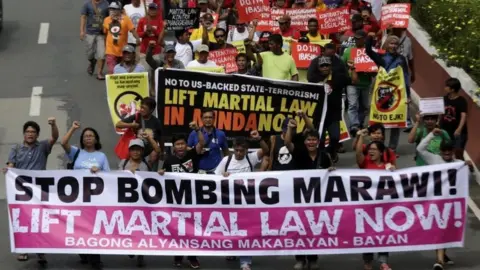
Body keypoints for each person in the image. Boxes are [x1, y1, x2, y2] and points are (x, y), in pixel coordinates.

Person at [3, 118, 58, 265]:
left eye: (33, 132)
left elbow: (55, 138)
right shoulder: (16, 148)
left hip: (40, 190)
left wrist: (53, 125)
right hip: (21, 190)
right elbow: (11, 164)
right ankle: (23, 249)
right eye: (27, 132)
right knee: (23, 219)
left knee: (40, 219)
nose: (30, 134)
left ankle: (41, 250)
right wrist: (8, 169)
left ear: (37, 135)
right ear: (24, 134)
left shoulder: (43, 147)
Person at [416, 128, 473, 270]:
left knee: (448, 230)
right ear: (440, 152)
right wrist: (431, 135)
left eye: (449, 153)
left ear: (453, 151)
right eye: (444, 152)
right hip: (436, 201)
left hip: (453, 203)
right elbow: (420, 148)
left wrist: (470, 170)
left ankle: (443, 255)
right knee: (439, 230)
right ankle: (439, 261)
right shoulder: (434, 159)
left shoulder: (459, 164)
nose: (446, 155)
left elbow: (466, 182)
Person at [283, 119, 333, 270]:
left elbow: (331, 171)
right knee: (299, 228)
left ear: (318, 141)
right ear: (305, 142)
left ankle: (312, 258)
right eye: (309, 140)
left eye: (314, 140)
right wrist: (291, 129)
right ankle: (300, 259)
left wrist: (331, 171)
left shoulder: (324, 156)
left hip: (317, 199)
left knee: (314, 229)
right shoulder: (299, 152)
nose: (311, 142)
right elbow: (287, 144)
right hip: (300, 198)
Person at [214, 132, 269, 270]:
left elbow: (266, 150)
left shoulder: (251, 158)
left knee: (246, 231)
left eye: (242, 151)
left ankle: (245, 261)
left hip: (247, 202)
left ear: (246, 150)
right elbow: (214, 178)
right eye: (237, 150)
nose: (239, 153)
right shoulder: (226, 160)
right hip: (230, 202)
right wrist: (223, 176)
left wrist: (259, 139)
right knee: (232, 229)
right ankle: (233, 252)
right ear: (233, 148)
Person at [60, 121, 109, 270]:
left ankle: (95, 259)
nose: (88, 138)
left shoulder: (101, 156)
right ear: (82, 139)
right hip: (77, 196)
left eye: (91, 136)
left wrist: (98, 172)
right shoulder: (76, 153)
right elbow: (63, 142)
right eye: (85, 136)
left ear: (96, 139)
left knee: (93, 227)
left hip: (94, 197)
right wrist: (73, 129)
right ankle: (83, 251)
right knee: (78, 225)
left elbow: (109, 176)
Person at [158, 123, 205, 269]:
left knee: (191, 229)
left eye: (182, 144)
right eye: (177, 144)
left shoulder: (193, 154)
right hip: (176, 201)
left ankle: (192, 257)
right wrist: (160, 173)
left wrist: (197, 130)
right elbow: (163, 175)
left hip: (192, 199)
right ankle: (178, 255)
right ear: (173, 147)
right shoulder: (169, 160)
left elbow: (202, 142)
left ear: (186, 145)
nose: (179, 146)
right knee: (178, 228)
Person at [355, 129, 395, 270]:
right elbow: (359, 153)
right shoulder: (365, 163)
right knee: (368, 234)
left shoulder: (387, 167)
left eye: (374, 150)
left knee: (384, 233)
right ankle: (367, 261)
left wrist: (393, 172)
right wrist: (360, 136)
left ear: (380, 152)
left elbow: (398, 183)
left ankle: (383, 261)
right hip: (366, 207)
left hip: (384, 207)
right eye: (369, 149)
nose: (370, 152)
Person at [365, 34, 410, 155]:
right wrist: (370, 38)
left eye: (396, 44)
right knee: (381, 123)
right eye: (391, 43)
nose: (394, 46)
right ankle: (381, 148)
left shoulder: (401, 59)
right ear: (387, 45)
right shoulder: (381, 57)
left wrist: (408, 95)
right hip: (381, 93)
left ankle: (392, 149)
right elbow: (368, 50)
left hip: (397, 94)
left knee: (396, 123)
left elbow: (405, 77)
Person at [119, 135, 158, 268]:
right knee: (129, 226)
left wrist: (150, 138)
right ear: (129, 151)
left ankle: (140, 253)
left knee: (141, 227)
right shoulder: (123, 163)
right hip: (127, 201)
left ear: (142, 151)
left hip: (143, 202)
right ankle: (131, 247)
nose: (136, 152)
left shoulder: (147, 163)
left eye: (139, 149)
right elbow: (115, 178)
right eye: (133, 149)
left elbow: (158, 152)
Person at [308, 55, 352, 163]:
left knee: (335, 137)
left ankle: (332, 151)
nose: (325, 68)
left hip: (333, 114)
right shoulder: (314, 79)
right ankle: (322, 161)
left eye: (327, 65)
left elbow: (353, 81)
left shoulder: (339, 77)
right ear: (318, 68)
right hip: (320, 115)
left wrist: (352, 69)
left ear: (330, 67)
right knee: (321, 140)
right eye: (322, 66)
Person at [342, 30, 375, 135]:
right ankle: (354, 126)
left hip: (365, 82)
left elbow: (375, 66)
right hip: (352, 83)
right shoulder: (348, 51)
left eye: (359, 38)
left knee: (364, 106)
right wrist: (349, 70)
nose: (357, 40)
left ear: (364, 39)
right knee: (352, 105)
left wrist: (370, 70)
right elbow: (343, 65)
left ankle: (359, 123)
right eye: (355, 38)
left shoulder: (370, 51)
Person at [115, 97, 164, 168]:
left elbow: (161, 138)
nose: (141, 110)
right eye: (141, 107)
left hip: (150, 153)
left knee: (151, 169)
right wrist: (131, 125)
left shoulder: (156, 122)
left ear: (151, 110)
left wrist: (162, 151)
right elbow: (118, 124)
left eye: (144, 108)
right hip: (137, 152)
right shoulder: (136, 116)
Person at [187, 108, 229, 173]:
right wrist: (196, 151)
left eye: (210, 117)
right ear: (201, 119)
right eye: (205, 117)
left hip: (216, 171)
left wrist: (227, 168)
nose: (208, 120)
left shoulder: (221, 134)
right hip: (198, 171)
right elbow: (187, 148)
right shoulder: (194, 133)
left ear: (214, 119)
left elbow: (226, 153)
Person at [103, 1, 141, 74]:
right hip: (110, 50)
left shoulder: (126, 19)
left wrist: (137, 38)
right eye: (110, 9)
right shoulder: (106, 20)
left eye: (114, 9)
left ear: (119, 10)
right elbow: (105, 34)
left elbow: (132, 30)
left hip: (123, 51)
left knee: (122, 72)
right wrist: (105, 48)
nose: (112, 11)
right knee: (112, 71)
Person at [439, 78, 468, 160]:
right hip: (445, 130)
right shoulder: (444, 99)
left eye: (447, 86)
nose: (445, 87)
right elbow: (440, 112)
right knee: (445, 152)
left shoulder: (461, 101)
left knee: (458, 153)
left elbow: (463, 116)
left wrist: (459, 129)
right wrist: (438, 122)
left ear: (452, 89)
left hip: (458, 133)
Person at [80, 0, 109, 80]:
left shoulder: (106, 4)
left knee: (102, 54)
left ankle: (99, 73)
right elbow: (83, 17)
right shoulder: (87, 4)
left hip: (101, 33)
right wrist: (82, 31)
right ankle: (92, 61)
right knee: (90, 53)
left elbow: (108, 17)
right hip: (90, 33)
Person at [137, 2, 165, 73]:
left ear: (157, 11)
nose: (152, 11)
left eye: (154, 9)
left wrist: (153, 29)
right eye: (151, 9)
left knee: (155, 72)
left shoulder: (160, 22)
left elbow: (161, 35)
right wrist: (145, 32)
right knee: (145, 72)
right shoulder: (142, 20)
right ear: (148, 10)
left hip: (156, 52)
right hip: (144, 51)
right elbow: (138, 34)